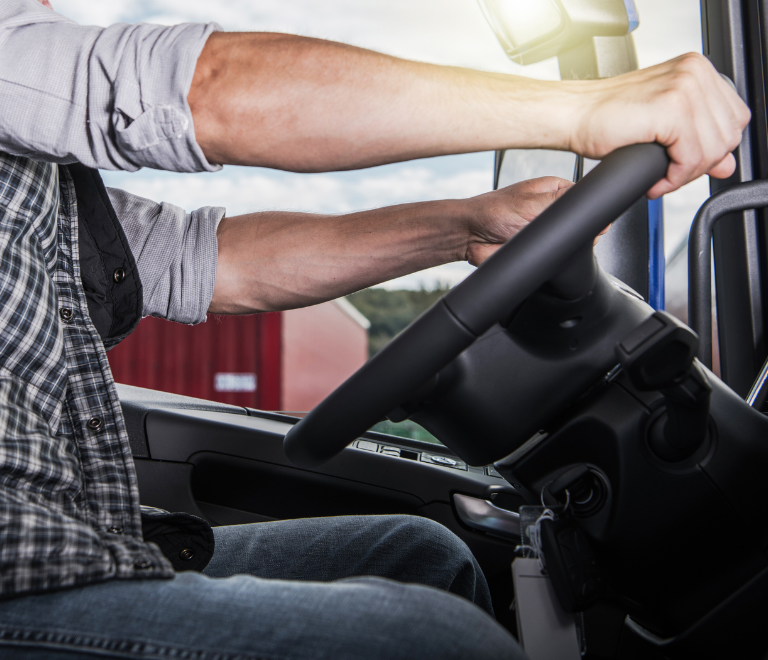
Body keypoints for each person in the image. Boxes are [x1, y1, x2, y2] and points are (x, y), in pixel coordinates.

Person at [0, 1, 750, 659]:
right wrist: (586, 108)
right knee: (432, 644)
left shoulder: (33, 179)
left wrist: (463, 225)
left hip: (75, 543)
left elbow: (213, 262)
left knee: (423, 556)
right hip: (22, 581)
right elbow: (212, 95)